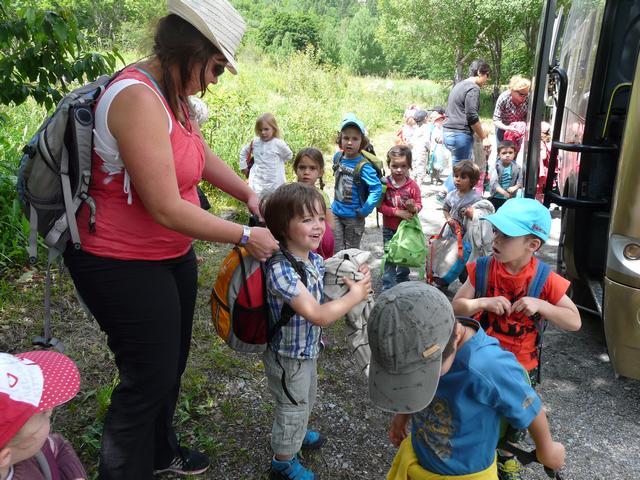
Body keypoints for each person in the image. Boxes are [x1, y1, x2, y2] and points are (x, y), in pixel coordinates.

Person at [62, 2, 280, 478]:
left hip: (169, 255)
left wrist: (248, 193)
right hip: (118, 261)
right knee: (147, 378)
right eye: (216, 67)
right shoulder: (137, 98)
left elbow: (196, 155)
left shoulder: (173, 93)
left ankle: (161, 452)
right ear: (190, 50)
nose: (216, 80)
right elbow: (164, 205)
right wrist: (245, 235)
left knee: (171, 363)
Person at [368, 282, 567, 480]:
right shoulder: (426, 342)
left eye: (424, 374)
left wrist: (547, 451)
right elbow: (412, 385)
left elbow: (530, 406)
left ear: (455, 337)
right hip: (421, 458)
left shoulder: (489, 366)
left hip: (467, 474)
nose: (418, 380)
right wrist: (402, 416)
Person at [452, 198, 581, 479]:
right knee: (477, 407)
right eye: (496, 232)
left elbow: (574, 321)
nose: (496, 239)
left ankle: (507, 457)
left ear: (532, 245)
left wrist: (543, 305)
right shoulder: (484, 268)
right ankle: (478, 451)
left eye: (506, 235)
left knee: (516, 416)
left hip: (522, 365)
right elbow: (456, 306)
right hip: (481, 359)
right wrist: (482, 302)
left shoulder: (545, 279)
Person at [261, 183, 372, 480]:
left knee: (305, 397)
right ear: (284, 227)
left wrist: (354, 278)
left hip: (306, 352)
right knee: (292, 405)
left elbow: (331, 280)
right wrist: (355, 297)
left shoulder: (312, 259)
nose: (318, 226)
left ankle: (296, 431)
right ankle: (282, 463)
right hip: (287, 356)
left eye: (321, 218)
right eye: (307, 219)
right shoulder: (280, 269)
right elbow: (319, 315)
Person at [0, 350, 86, 480]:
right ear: (5, 457)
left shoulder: (32, 450)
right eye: (44, 413)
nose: (51, 409)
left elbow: (58, 447)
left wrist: (74, 475)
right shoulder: (29, 451)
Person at [332, 113, 383, 251]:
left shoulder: (364, 166)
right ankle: (338, 272)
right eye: (346, 138)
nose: (349, 142)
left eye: (355, 139)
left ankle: (350, 273)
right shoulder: (338, 157)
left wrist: (366, 209)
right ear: (340, 139)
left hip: (354, 218)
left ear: (362, 141)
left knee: (350, 252)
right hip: (335, 213)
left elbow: (376, 188)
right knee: (336, 250)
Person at [441, 60, 490, 193]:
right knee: (462, 172)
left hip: (447, 132)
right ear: (480, 73)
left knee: (458, 168)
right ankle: (445, 193)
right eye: (487, 75)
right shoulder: (473, 88)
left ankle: (450, 194)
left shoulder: (459, 85)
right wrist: (483, 136)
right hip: (459, 135)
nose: (487, 79)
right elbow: (472, 116)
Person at [378, 145, 422, 290]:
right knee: (389, 256)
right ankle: (388, 286)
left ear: (409, 165)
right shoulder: (384, 184)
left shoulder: (412, 186)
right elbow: (379, 207)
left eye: (403, 166)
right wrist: (398, 212)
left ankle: (403, 280)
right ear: (389, 165)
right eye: (394, 166)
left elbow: (419, 205)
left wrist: (413, 208)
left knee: (404, 255)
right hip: (389, 228)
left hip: (406, 230)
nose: (399, 170)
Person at [294, 147, 335, 259]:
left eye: (312, 168)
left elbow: (330, 224)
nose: (306, 172)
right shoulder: (289, 194)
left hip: (315, 247)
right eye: (302, 167)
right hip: (294, 246)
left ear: (320, 172)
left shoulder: (321, 196)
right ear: (295, 169)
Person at [239, 113, 293, 198]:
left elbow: (289, 155)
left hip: (275, 181)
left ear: (274, 129)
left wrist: (276, 164)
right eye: (260, 130)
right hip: (257, 182)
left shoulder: (278, 144)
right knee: (257, 202)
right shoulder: (255, 142)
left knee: (275, 201)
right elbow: (243, 152)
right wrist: (243, 167)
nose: (263, 132)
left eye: (266, 129)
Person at [442, 160, 481, 232]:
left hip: (466, 234)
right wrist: (449, 219)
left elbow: (480, 216)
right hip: (450, 231)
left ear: (472, 181)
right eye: (456, 176)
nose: (458, 179)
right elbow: (445, 209)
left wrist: (471, 214)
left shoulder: (475, 198)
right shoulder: (451, 195)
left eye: (463, 177)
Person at [493, 76, 531, 143]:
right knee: (503, 151)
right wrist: (507, 128)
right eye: (521, 94)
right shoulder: (504, 98)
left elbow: (529, 117)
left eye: (526, 94)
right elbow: (496, 120)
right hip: (503, 128)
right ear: (512, 90)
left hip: (518, 130)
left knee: (515, 151)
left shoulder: (528, 98)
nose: (524, 97)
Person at [488, 140, 523, 211]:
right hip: (496, 197)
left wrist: (515, 187)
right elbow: (494, 183)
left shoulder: (517, 167)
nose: (507, 155)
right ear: (499, 154)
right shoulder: (496, 166)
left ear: (514, 153)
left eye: (510, 153)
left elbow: (520, 182)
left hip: (510, 198)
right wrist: (504, 193)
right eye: (504, 153)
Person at [410, 110, 430, 185]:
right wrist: (429, 149)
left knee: (413, 169)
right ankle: (418, 188)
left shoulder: (413, 127)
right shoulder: (425, 128)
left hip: (413, 151)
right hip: (421, 151)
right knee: (420, 171)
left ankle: (411, 187)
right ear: (425, 118)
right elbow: (427, 141)